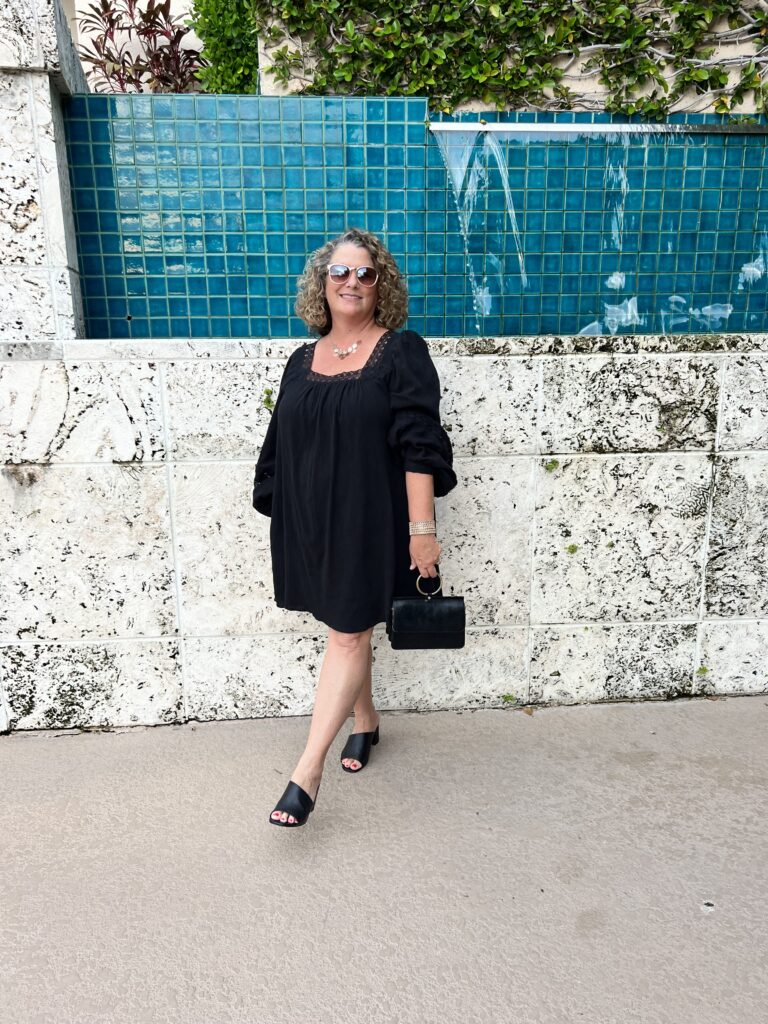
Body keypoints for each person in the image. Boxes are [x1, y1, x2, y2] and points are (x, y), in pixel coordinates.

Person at [252, 227, 458, 827]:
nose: (351, 281)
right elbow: (281, 443)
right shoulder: (300, 359)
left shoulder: (401, 352)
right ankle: (364, 722)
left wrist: (422, 529)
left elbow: (419, 446)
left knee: (347, 633)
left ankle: (305, 774)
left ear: (380, 285)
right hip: (312, 521)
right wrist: (281, 506)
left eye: (365, 273)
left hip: (371, 522)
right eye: (339, 271)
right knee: (346, 625)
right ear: (322, 283)